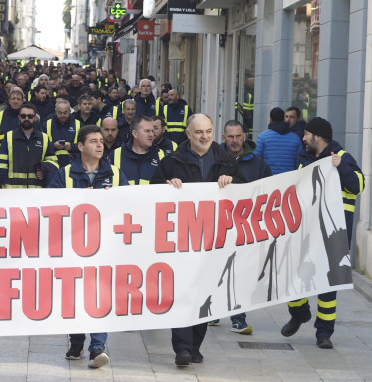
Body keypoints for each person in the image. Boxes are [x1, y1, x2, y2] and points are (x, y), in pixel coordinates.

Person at [151, 114, 245, 367]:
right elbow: (152, 190)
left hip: (214, 242)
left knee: (204, 296)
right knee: (182, 292)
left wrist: (233, 183)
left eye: (209, 131)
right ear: (188, 134)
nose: (204, 136)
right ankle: (182, 348)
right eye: (199, 132)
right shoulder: (172, 161)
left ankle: (195, 346)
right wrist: (167, 185)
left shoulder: (227, 162)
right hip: (180, 241)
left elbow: (247, 194)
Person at [281, 117, 363, 350]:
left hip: (334, 234)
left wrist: (341, 166)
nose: (303, 138)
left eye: (306, 134)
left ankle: (324, 333)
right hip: (306, 232)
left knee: (328, 285)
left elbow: (358, 185)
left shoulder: (343, 157)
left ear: (317, 136)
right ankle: (299, 313)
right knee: (294, 276)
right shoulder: (305, 160)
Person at [48, 125, 126, 369]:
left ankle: (97, 347)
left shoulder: (114, 174)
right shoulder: (65, 174)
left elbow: (127, 205)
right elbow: (51, 207)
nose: (100, 145)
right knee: (73, 292)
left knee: (100, 293)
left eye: (101, 140)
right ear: (80, 147)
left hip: (104, 245)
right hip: (73, 244)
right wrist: (80, 200)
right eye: (93, 141)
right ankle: (76, 339)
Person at [212, 119, 272, 334]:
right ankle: (214, 312)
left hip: (246, 227)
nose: (235, 141)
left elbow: (269, 190)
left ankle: (238, 317)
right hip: (218, 225)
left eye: (238, 136)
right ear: (223, 138)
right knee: (216, 270)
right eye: (230, 137)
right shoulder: (213, 159)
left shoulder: (258, 164)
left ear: (244, 136)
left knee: (241, 273)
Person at [0, 103, 58, 188]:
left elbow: (54, 163)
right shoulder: (9, 137)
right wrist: (5, 183)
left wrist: (43, 169)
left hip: (37, 192)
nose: (26, 119)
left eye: (30, 116)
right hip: (12, 191)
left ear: (35, 118)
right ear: (19, 117)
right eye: (23, 116)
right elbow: (1, 165)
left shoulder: (44, 138)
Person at [111, 115, 164, 185]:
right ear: (135, 134)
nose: (151, 135)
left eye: (152, 131)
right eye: (147, 131)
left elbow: (167, 182)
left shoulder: (160, 155)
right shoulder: (116, 155)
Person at [253, 107, 303, 175]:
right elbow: (299, 163)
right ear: (283, 119)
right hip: (289, 180)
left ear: (270, 120)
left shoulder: (262, 137)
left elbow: (256, 161)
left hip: (268, 179)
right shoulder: (296, 138)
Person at [45, 99, 81, 168]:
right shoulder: (46, 124)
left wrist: (72, 147)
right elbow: (40, 144)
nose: (62, 115)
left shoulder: (78, 125)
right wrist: (53, 145)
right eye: (60, 113)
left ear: (70, 111)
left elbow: (85, 145)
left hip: (74, 165)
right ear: (56, 112)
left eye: (65, 113)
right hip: (52, 165)